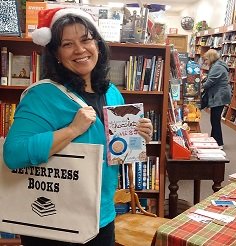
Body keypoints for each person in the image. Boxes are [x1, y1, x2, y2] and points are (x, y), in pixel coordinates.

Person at [3, 8, 153, 246]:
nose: (80, 50)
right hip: (54, 222)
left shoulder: (111, 93)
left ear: (98, 45)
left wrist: (137, 135)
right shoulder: (42, 95)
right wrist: (72, 130)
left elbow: (117, 153)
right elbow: (13, 154)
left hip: (102, 215)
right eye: (68, 44)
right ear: (56, 54)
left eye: (86, 40)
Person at [201, 49, 231, 149]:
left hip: (219, 96)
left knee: (215, 119)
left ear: (210, 58)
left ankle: (219, 142)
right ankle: (214, 140)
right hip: (219, 95)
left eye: (206, 59)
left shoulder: (217, 67)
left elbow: (210, 82)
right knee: (214, 119)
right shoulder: (218, 65)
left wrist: (199, 86)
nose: (205, 62)